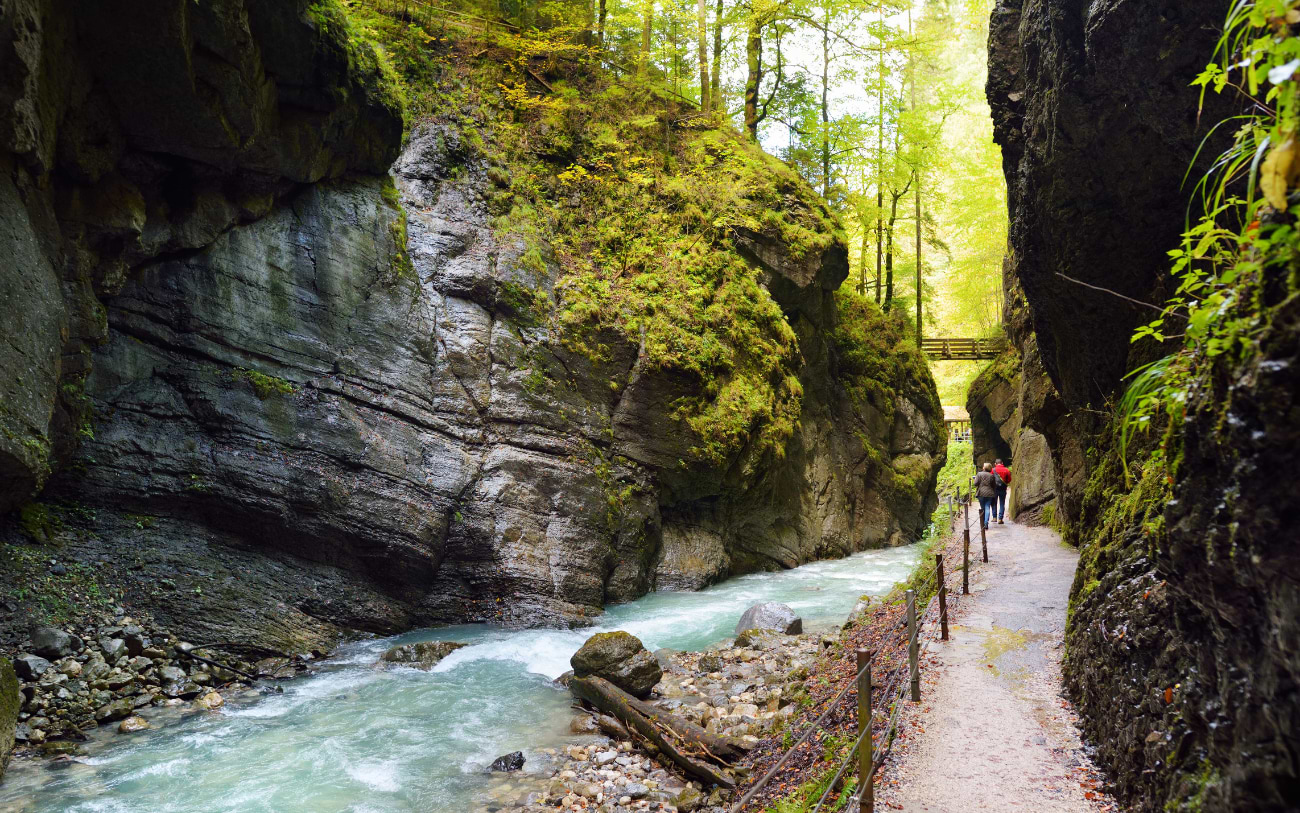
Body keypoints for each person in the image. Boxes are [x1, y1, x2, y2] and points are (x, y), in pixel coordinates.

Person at [973, 463, 1001, 530]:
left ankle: (983, 523)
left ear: (984, 468)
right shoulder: (991, 475)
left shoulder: (979, 474)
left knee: (983, 508)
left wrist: (975, 479)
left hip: (981, 493)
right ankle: (986, 523)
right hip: (989, 493)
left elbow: (975, 484)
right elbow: (994, 485)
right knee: (987, 507)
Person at [992, 458, 1012, 525]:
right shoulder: (1006, 470)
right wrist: (1005, 482)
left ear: (995, 463)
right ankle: (1000, 518)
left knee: (994, 503)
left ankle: (994, 517)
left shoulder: (993, 470)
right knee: (1002, 503)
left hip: (994, 489)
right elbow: (1009, 479)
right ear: (1002, 463)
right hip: (1003, 489)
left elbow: (990, 479)